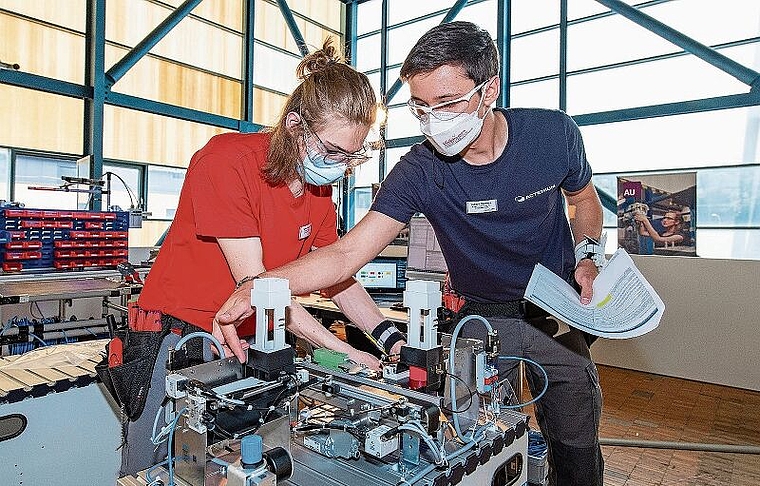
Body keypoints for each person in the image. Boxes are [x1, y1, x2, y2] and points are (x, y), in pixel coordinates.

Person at [218, 22, 605, 485]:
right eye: (421, 107)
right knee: (474, 445)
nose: (435, 119)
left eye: (448, 104)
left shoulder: (551, 135)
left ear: (489, 90)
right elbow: (344, 258)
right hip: (480, 321)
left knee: (576, 446)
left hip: (556, 314)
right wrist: (260, 284)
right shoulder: (421, 171)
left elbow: (585, 201)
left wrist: (587, 253)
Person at [121, 38, 404, 476]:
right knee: (162, 467)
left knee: (240, 465)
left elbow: (338, 272)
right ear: (295, 126)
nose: (342, 166)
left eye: (353, 156)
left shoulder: (319, 190)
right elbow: (259, 289)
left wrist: (388, 339)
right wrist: (343, 351)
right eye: (333, 151)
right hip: (181, 340)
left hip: (254, 343)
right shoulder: (226, 162)